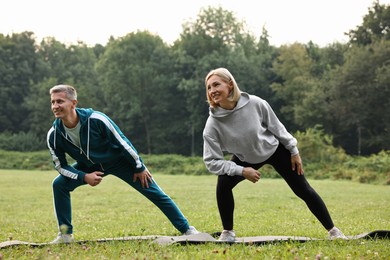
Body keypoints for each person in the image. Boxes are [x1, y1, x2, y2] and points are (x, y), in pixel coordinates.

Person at [202, 68, 346, 242]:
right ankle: (228, 233)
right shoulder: (212, 124)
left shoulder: (255, 103)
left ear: (230, 84)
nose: (212, 91)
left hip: (274, 150)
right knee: (223, 184)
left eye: (216, 84)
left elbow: (277, 127)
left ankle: (333, 231)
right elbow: (211, 162)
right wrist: (241, 170)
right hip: (245, 158)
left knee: (303, 189)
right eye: (209, 87)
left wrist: (294, 150)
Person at [47, 84, 199, 244]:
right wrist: (83, 177)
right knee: (59, 185)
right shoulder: (54, 134)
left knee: (154, 191)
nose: (55, 106)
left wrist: (139, 167)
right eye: (53, 102)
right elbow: (60, 166)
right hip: (89, 167)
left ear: (73, 103)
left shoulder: (97, 119)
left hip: (119, 162)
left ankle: (187, 229)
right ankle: (65, 236)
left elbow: (124, 143)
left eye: (60, 101)